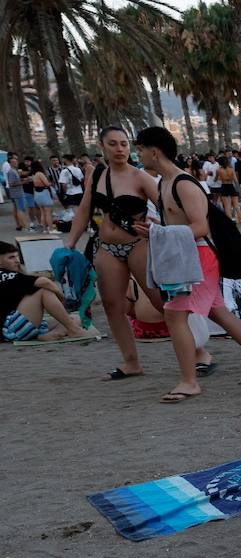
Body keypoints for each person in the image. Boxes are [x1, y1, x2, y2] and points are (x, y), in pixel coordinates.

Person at [133, 126, 241, 402]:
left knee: (174, 315)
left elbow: (200, 227)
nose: (137, 154)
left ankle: (189, 381)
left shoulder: (183, 183)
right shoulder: (165, 183)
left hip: (198, 257)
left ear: (154, 151)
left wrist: (159, 232)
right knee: (219, 313)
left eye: (139, 149)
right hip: (191, 256)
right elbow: (179, 224)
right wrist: (157, 228)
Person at [62, 126, 165, 381]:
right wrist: (70, 243)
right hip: (106, 248)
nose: (120, 149)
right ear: (102, 146)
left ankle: (196, 351)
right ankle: (131, 362)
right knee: (111, 305)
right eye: (113, 144)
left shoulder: (141, 177)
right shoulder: (97, 176)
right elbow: (84, 210)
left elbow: (167, 208)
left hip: (138, 246)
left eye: (124, 144)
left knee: (161, 301)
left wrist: (157, 226)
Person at [0, 241, 97, 342]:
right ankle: (74, 330)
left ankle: (52, 334)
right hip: (9, 329)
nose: (17, 261)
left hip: (13, 326)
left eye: (17, 257)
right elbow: (44, 282)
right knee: (44, 290)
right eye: (11, 257)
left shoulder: (10, 277)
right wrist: (62, 299)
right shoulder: (4, 274)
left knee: (76, 318)